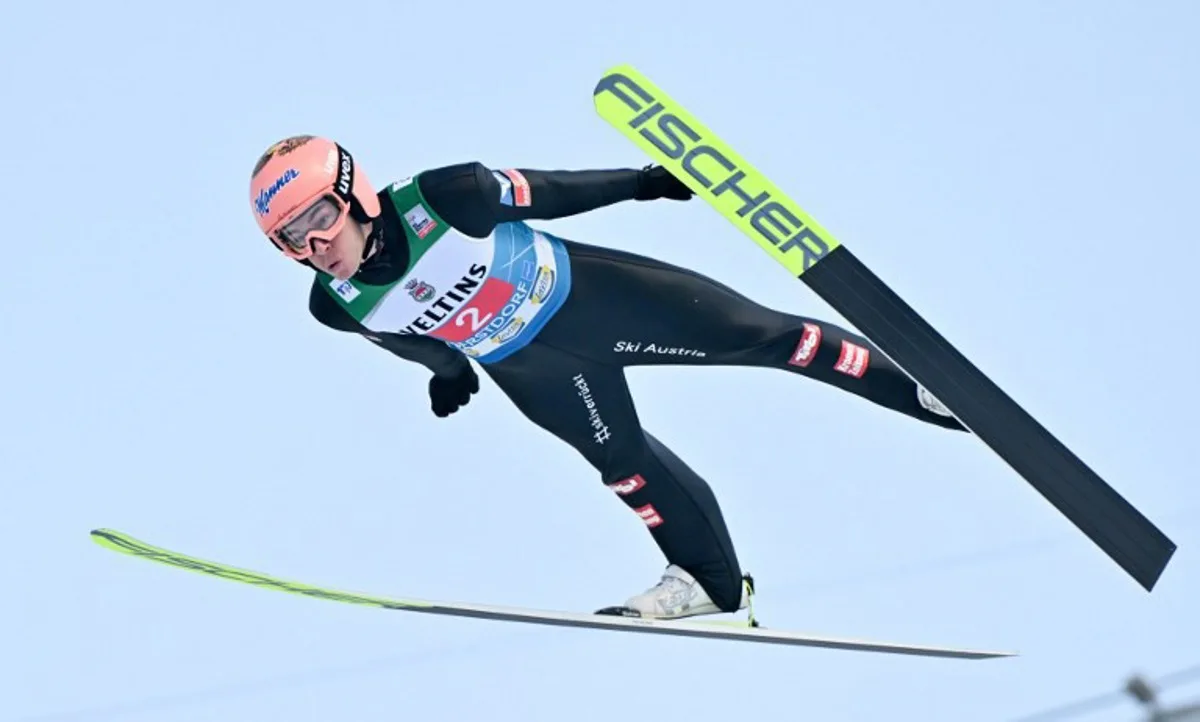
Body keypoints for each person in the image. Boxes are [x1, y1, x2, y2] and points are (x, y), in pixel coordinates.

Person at [247, 134, 963, 621]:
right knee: (623, 466)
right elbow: (401, 335)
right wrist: (447, 371)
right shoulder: (334, 305)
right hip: (532, 369)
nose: (315, 245)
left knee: (770, 339)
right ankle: (710, 584)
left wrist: (640, 184)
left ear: (355, 191)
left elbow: (548, 193)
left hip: (594, 299)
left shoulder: (444, 197)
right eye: (290, 239)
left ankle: (928, 395)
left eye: (319, 218)